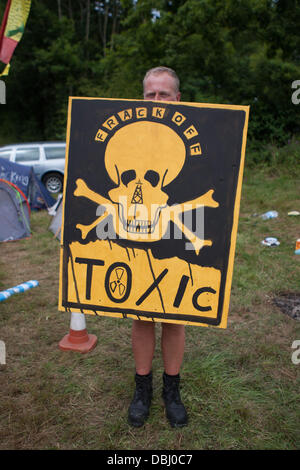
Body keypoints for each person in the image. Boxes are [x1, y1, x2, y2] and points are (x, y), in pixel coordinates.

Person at [128, 66, 188, 428]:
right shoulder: (130, 138)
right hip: (138, 230)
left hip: (180, 230)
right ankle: (142, 388)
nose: (156, 100)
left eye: (163, 94)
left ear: (177, 99)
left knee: (175, 314)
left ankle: (172, 389)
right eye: (150, 94)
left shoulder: (201, 137)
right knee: (141, 313)